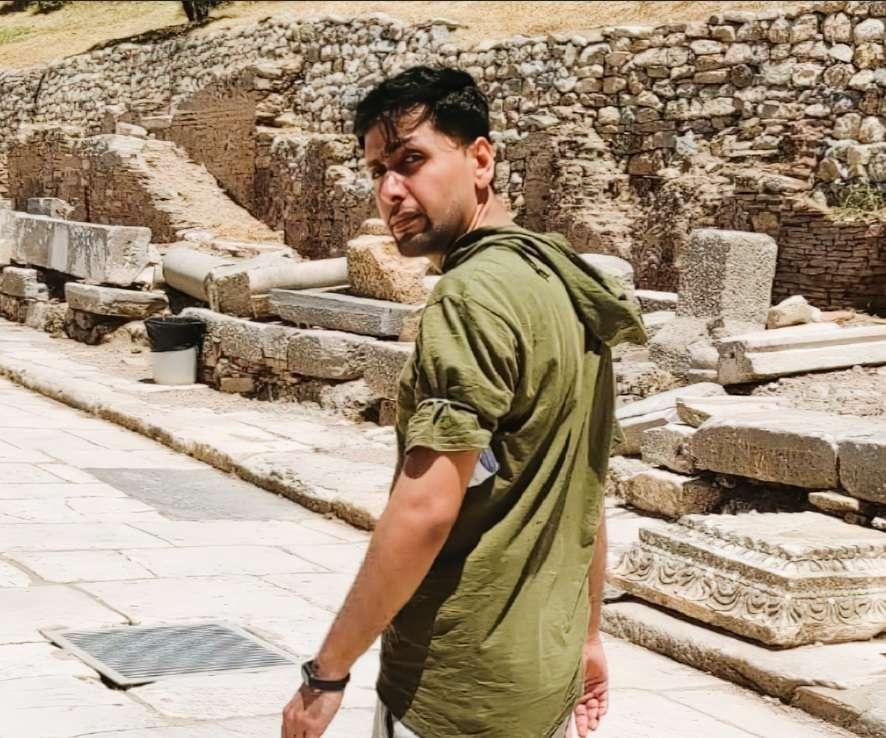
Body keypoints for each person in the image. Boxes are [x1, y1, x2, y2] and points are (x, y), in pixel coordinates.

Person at [281, 66, 646, 738]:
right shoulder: (562, 281)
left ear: (480, 160)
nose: (390, 190)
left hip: (458, 691)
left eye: (410, 161)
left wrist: (326, 674)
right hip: (543, 678)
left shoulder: (470, 296)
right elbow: (584, 491)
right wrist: (589, 637)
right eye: (377, 171)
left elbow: (425, 507)